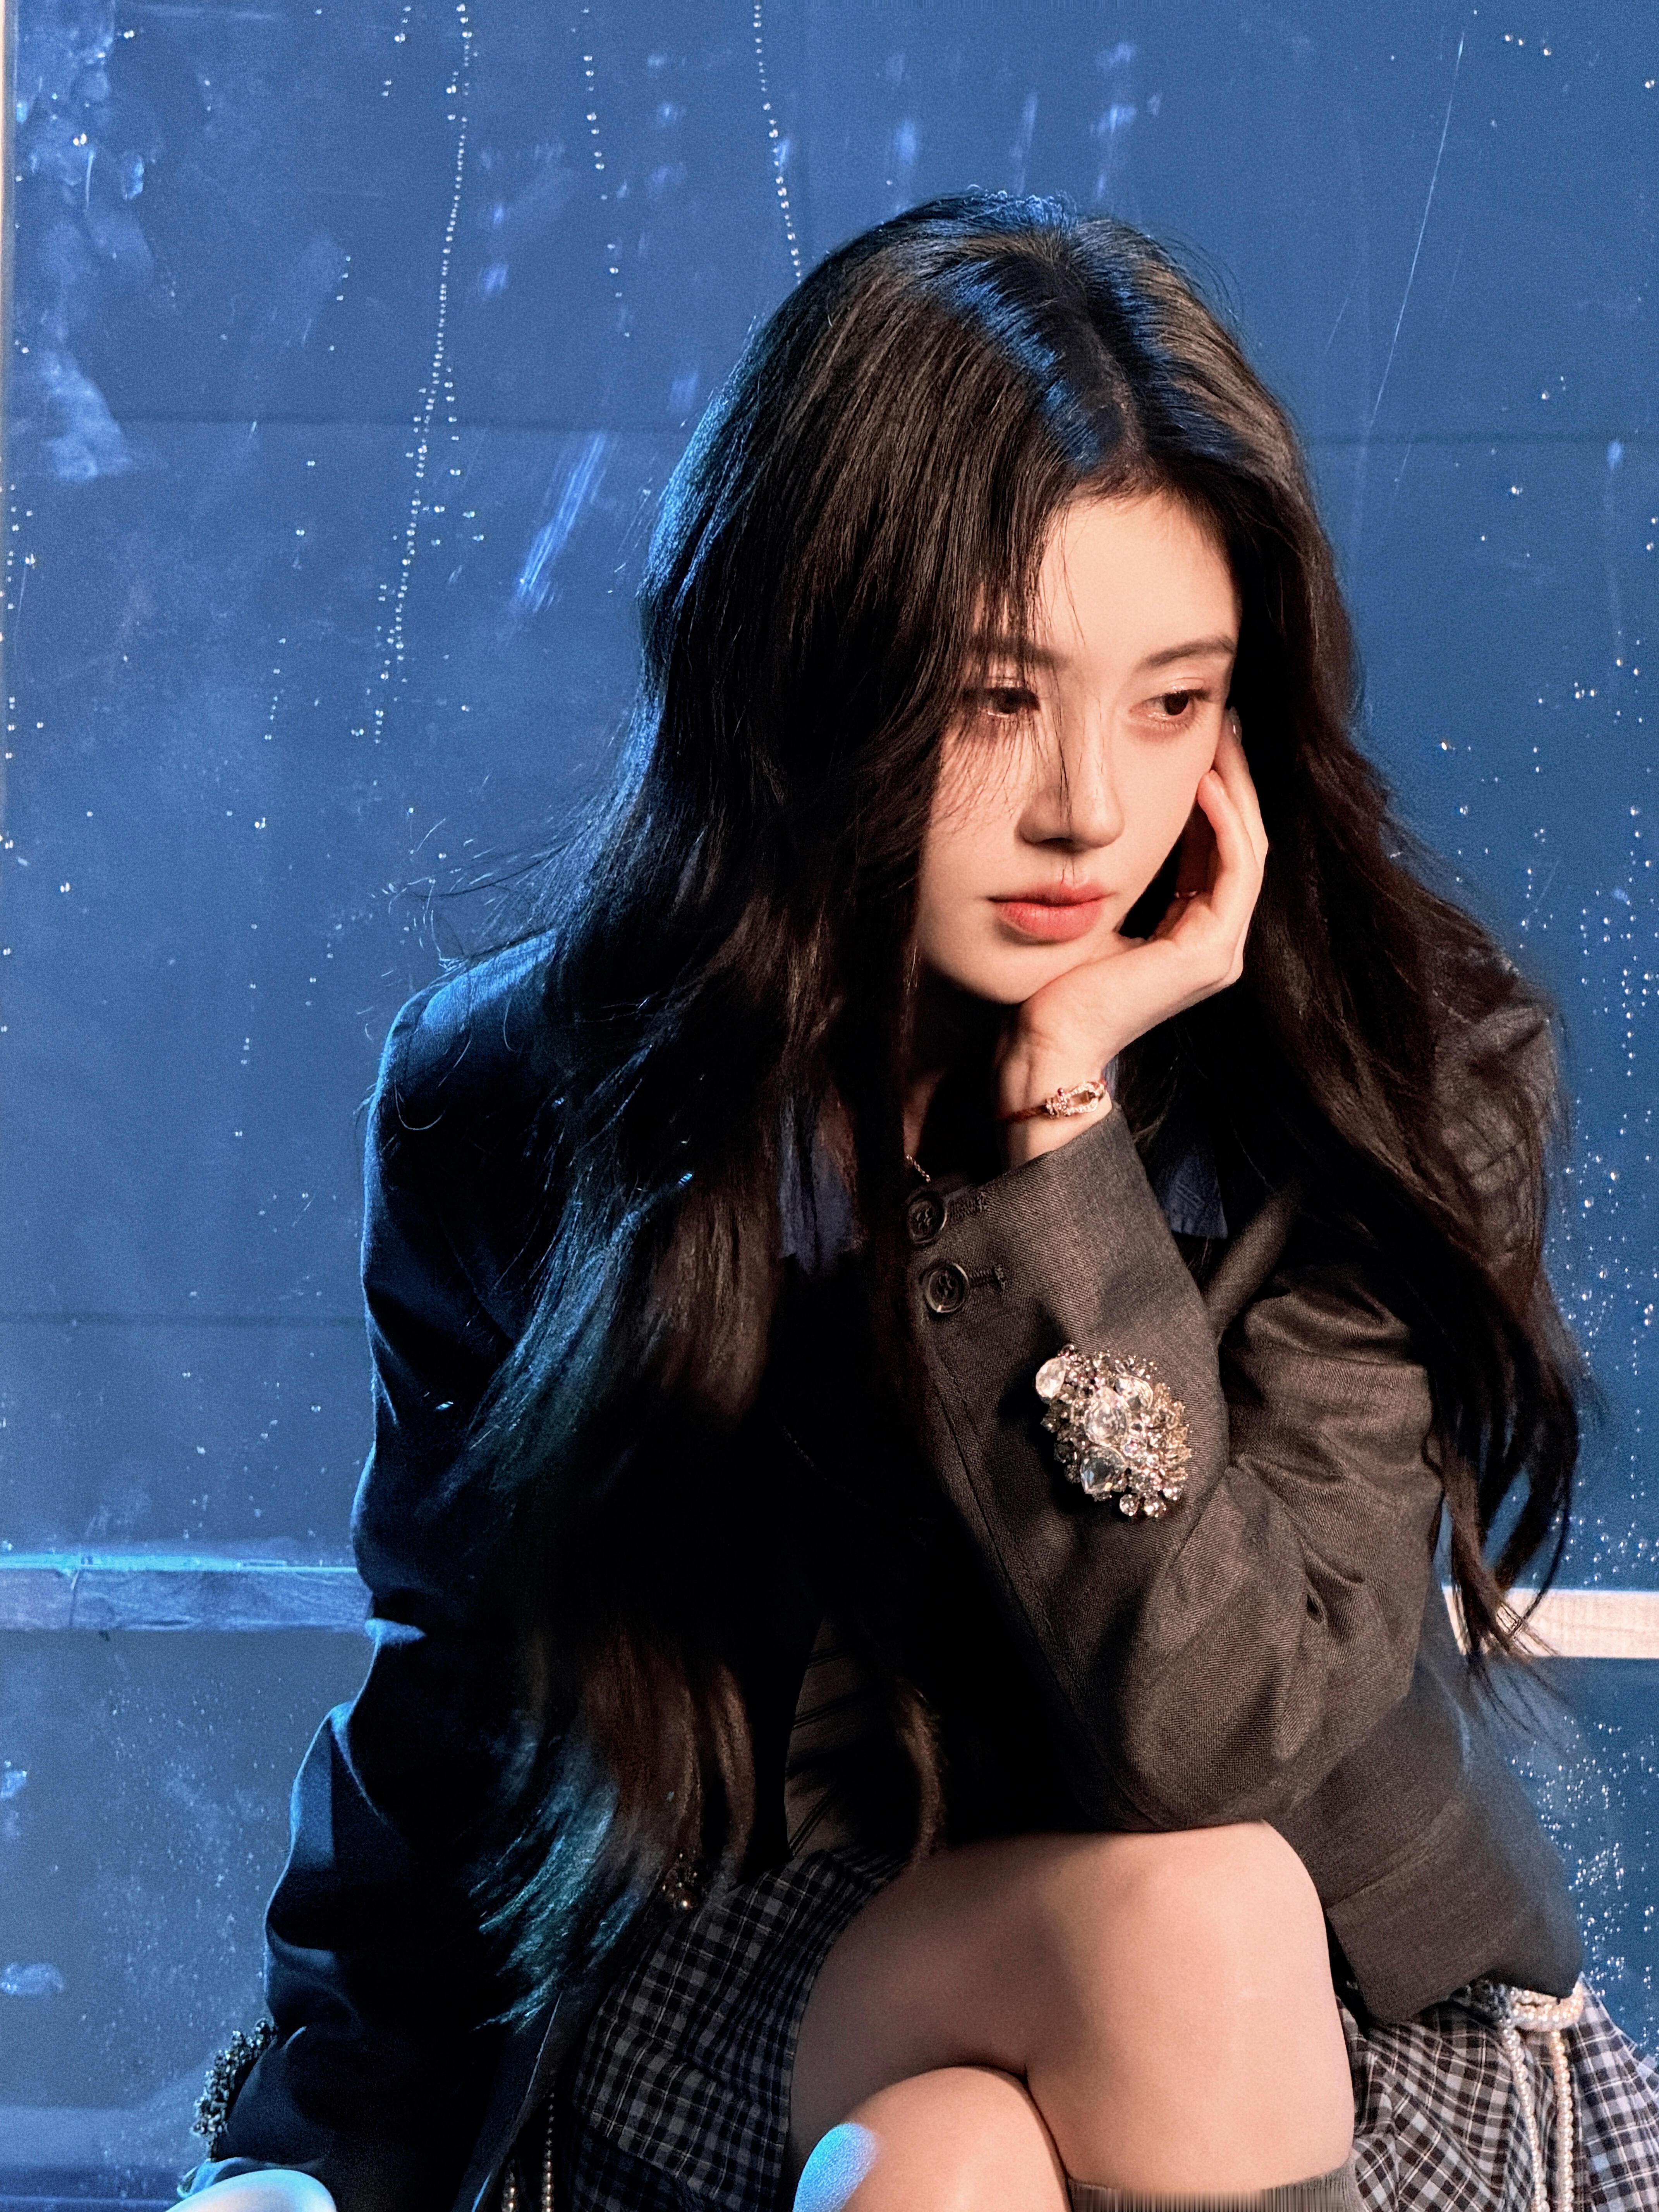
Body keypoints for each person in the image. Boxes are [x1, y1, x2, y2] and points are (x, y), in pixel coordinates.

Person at [183, 194, 1659, 2212]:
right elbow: (457, 1704)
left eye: (1173, 702)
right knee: (1166, 1937)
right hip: (772, 1979)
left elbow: (1213, 1746)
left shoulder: (1396, 1076)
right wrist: (299, 2164)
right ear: (801, 669)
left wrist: (1053, 1146)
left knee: (993, 2118)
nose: (1090, 809)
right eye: (995, 700)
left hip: (1328, 2029)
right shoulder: (522, 1089)